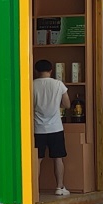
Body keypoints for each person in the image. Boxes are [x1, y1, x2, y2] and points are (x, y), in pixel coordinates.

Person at [33, 59, 71, 196]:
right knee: (58, 158)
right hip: (56, 127)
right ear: (51, 70)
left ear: (36, 71)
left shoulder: (32, 85)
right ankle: (59, 187)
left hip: (37, 128)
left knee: (37, 159)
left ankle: (34, 189)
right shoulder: (58, 84)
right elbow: (67, 105)